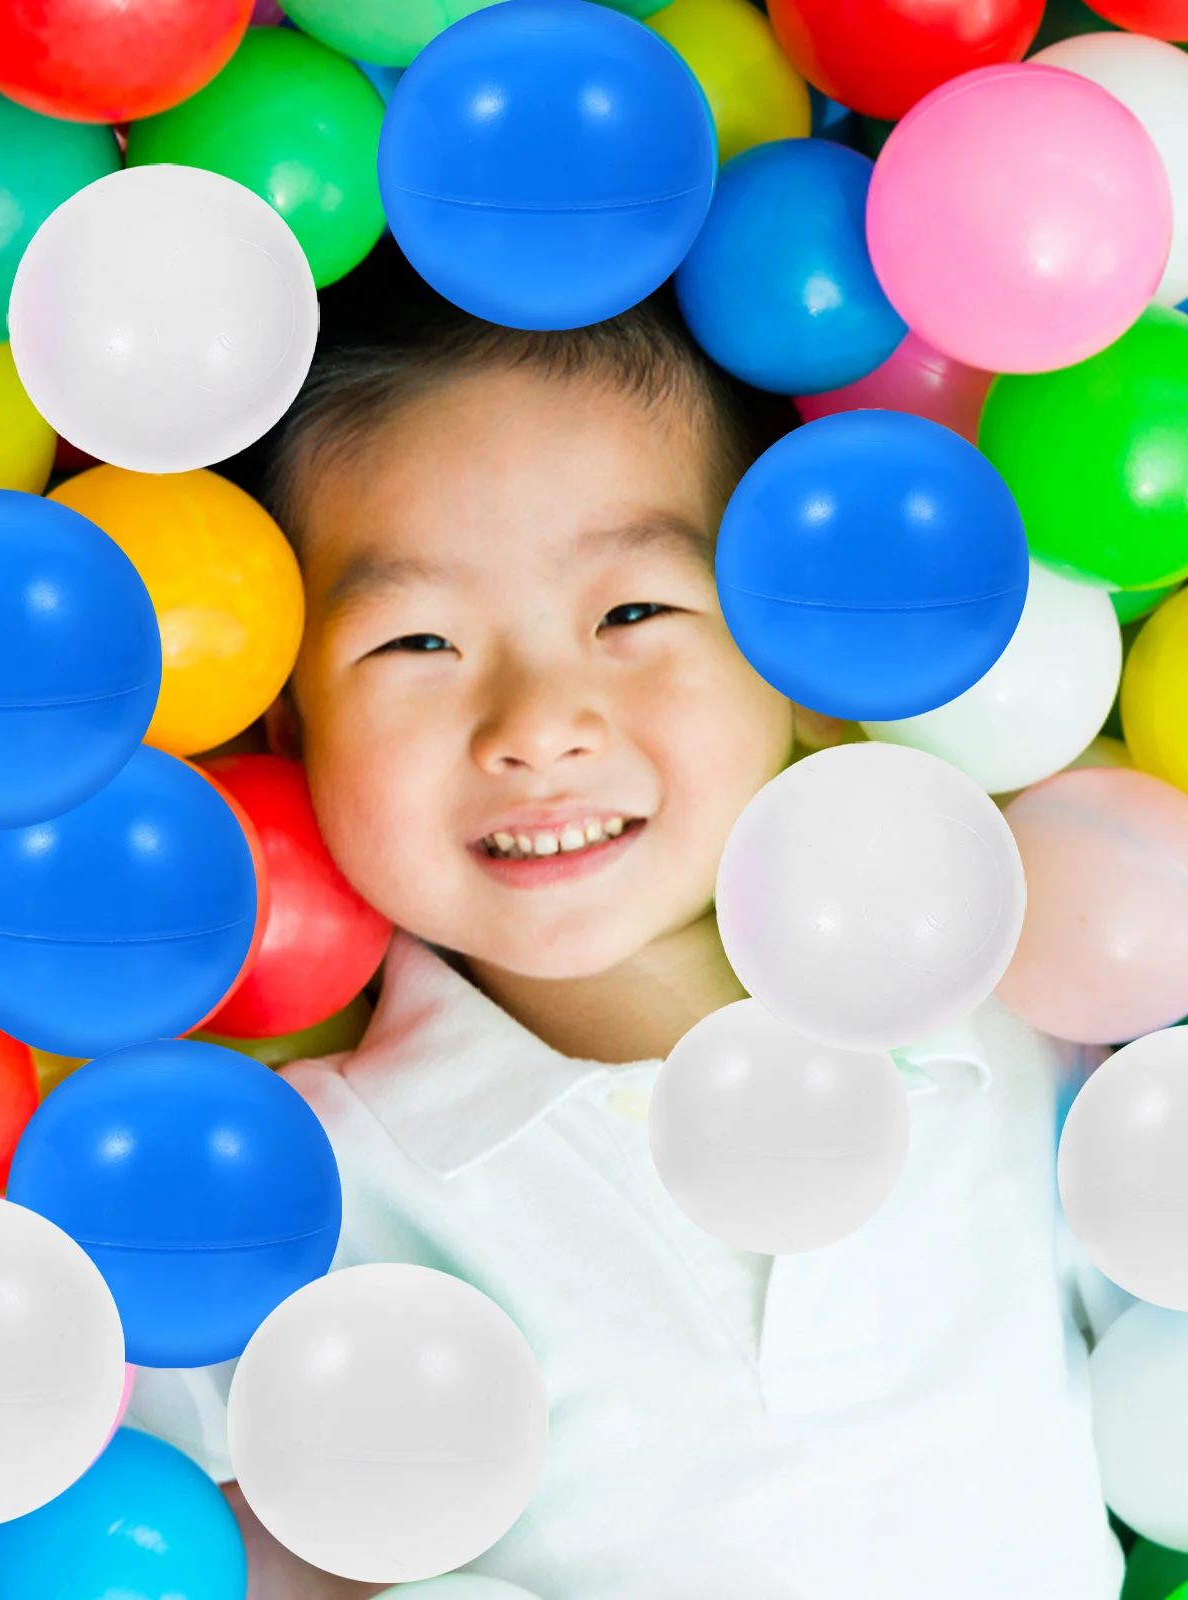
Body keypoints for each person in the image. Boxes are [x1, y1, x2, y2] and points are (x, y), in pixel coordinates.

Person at [128, 270, 1131, 1600]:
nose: (538, 721)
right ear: (287, 728)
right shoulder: (288, 1193)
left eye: (632, 614)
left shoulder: (1012, 1019)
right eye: (417, 640)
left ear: (808, 664)